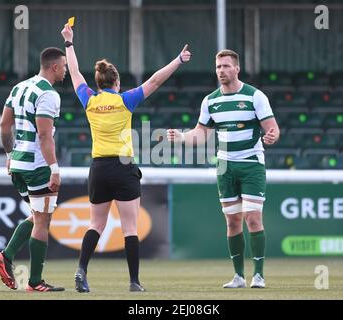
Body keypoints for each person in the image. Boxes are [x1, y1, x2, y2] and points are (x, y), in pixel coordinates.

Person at [61, 24, 191, 293]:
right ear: (116, 82)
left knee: (95, 224)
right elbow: (155, 81)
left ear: (98, 82)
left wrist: (69, 43)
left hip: (98, 168)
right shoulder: (125, 100)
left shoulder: (89, 100)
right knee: (130, 228)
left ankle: (81, 270)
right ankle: (134, 282)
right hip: (122, 167)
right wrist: (178, 60)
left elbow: (73, 73)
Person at [167, 49, 280, 289]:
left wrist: (271, 136)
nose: (222, 71)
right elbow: (201, 134)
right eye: (218, 67)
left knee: (253, 218)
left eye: (226, 66)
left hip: (251, 164)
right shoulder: (210, 100)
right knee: (232, 222)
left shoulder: (255, 96)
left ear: (237, 69)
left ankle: (258, 274)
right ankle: (238, 276)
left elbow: (272, 128)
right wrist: (182, 137)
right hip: (225, 166)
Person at [0, 48, 67, 292]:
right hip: (37, 165)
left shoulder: (19, 88)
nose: (66, 70)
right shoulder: (48, 94)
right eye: (64, 66)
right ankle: (34, 282)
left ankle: (6, 256)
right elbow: (45, 135)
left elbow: (5, 125)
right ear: (54, 67)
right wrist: (54, 169)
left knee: (37, 215)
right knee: (43, 220)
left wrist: (9, 154)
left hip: (18, 164)